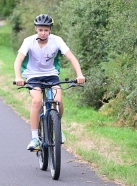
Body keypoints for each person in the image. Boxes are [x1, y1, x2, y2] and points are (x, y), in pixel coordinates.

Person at [14, 14, 86, 151]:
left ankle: (57, 129)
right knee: (37, 101)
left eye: (46, 30)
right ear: (36, 29)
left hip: (51, 75)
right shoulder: (28, 41)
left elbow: (72, 58)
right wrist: (18, 77)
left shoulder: (57, 40)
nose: (43, 33)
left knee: (58, 100)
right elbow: (18, 60)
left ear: (50, 30)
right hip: (33, 76)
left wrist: (79, 74)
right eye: (40, 30)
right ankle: (35, 137)